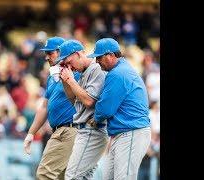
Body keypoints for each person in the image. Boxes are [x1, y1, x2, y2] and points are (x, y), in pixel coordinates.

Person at [88, 38, 151, 179]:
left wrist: (96, 118)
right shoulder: (122, 69)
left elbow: (105, 109)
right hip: (124, 132)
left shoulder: (118, 73)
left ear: (110, 55)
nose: (96, 61)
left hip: (132, 131)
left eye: (99, 57)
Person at [23, 37, 80, 179]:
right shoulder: (52, 77)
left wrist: (68, 77)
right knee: (63, 177)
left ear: (62, 52)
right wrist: (31, 133)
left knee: (45, 174)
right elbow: (44, 107)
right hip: (59, 131)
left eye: (50, 53)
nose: (47, 57)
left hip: (71, 130)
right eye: (46, 53)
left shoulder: (77, 72)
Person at [57, 40, 108, 179]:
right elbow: (74, 100)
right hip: (85, 129)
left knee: (72, 176)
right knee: (83, 177)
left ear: (78, 53)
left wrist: (71, 81)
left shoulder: (96, 68)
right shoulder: (83, 71)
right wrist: (65, 80)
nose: (68, 65)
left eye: (68, 61)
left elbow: (89, 101)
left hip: (93, 130)